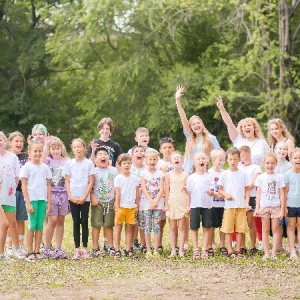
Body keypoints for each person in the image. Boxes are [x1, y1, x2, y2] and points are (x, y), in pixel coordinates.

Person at [176, 85, 220, 174]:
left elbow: (219, 155)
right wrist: (177, 101)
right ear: (191, 128)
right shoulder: (189, 136)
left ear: (202, 124)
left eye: (198, 123)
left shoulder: (211, 138)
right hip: (187, 172)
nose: (196, 125)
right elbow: (183, 119)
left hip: (203, 172)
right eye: (193, 124)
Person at [20, 140, 52, 261]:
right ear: (29, 152)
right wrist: (28, 202)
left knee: (39, 226)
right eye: (35, 151)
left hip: (42, 200)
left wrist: (49, 201)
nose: (38, 153)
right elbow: (23, 186)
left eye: (40, 151)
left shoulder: (45, 167)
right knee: (32, 225)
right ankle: (29, 251)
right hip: (32, 200)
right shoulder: (26, 167)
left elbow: (48, 185)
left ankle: (37, 250)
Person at [64, 138, 95, 259]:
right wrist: (70, 196)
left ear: (84, 148)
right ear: (72, 149)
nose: (77, 149)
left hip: (85, 198)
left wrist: (85, 197)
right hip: (73, 197)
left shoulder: (89, 163)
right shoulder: (69, 163)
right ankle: (77, 248)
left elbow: (91, 181)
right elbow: (67, 181)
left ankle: (85, 248)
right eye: (75, 147)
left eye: (79, 147)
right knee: (76, 222)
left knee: (84, 222)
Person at [216, 96, 270, 166]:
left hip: (256, 174)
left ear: (254, 128)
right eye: (244, 126)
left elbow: (270, 159)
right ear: (242, 130)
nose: (247, 127)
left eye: (249, 125)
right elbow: (229, 123)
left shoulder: (262, 143)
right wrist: (222, 109)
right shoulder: (238, 139)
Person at [218, 147, 250, 258]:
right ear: (227, 159)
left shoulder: (243, 174)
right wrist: (226, 195)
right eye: (231, 159)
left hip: (240, 205)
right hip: (229, 206)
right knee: (228, 228)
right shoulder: (224, 174)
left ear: (239, 159)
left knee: (241, 228)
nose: (233, 161)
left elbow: (247, 189)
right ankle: (230, 250)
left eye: (235, 159)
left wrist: (246, 202)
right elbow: (220, 189)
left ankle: (238, 250)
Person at [42, 136, 70, 259]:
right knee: (52, 220)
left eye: (57, 148)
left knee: (60, 221)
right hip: (51, 193)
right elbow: (41, 161)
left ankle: (58, 248)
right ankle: (47, 248)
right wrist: (45, 145)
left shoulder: (67, 161)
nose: (55, 151)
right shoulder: (48, 160)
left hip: (64, 193)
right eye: (53, 149)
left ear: (61, 149)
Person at [254, 152, 285, 259]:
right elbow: (258, 194)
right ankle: (266, 253)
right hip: (264, 206)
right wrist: (257, 208)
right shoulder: (260, 177)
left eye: (272, 163)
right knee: (265, 229)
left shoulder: (279, 177)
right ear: (263, 164)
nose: (270, 165)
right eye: (267, 163)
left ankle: (274, 253)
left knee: (276, 228)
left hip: (275, 206)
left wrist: (282, 209)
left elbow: (282, 194)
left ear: (276, 164)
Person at [0, 131, 25, 260]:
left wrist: (11, 189)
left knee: (12, 223)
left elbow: (16, 177)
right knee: (3, 224)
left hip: (9, 196)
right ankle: (1, 253)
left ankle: (17, 249)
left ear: (5, 141)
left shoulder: (12, 157)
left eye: (0, 140)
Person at [186, 152, 215, 259]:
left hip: (207, 205)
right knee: (194, 228)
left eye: (203, 158)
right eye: (199, 159)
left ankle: (205, 249)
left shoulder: (209, 177)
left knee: (207, 227)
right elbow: (189, 193)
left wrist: (210, 192)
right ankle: (195, 249)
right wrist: (188, 205)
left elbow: (212, 191)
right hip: (194, 205)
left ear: (207, 162)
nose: (201, 160)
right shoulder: (191, 177)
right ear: (195, 163)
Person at [90, 147, 118, 257]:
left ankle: (110, 247)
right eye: (100, 154)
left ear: (109, 158)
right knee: (96, 225)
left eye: (105, 154)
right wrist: (92, 197)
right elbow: (90, 186)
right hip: (98, 201)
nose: (103, 156)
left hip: (110, 201)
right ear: (95, 160)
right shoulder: (93, 171)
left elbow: (117, 187)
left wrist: (116, 200)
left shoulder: (114, 171)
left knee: (109, 225)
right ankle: (95, 248)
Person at [114, 154, 139, 258]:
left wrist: (137, 204)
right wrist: (117, 205)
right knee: (118, 228)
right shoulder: (118, 178)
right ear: (120, 165)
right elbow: (117, 193)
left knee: (129, 228)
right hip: (121, 207)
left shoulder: (134, 178)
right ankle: (117, 249)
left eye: (128, 163)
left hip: (132, 207)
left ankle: (128, 249)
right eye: (124, 163)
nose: (127, 165)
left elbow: (137, 192)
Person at [141, 149, 165, 257]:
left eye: (154, 159)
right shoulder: (144, 173)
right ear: (146, 160)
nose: (152, 161)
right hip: (147, 204)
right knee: (147, 226)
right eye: (150, 159)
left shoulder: (160, 174)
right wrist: (151, 200)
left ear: (157, 160)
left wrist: (156, 201)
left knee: (156, 226)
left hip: (158, 204)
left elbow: (161, 188)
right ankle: (148, 249)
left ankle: (155, 249)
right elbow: (144, 189)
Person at [7, 131, 28, 253]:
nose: (19, 143)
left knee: (21, 219)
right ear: (10, 143)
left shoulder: (26, 157)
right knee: (11, 220)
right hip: (10, 192)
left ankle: (20, 245)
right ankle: (10, 245)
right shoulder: (7, 156)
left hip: (23, 192)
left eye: (21, 141)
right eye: (16, 141)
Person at [165, 152, 189, 257]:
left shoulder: (186, 174)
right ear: (171, 162)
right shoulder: (168, 175)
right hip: (172, 201)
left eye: (178, 158)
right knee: (172, 227)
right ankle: (173, 249)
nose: (176, 159)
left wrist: (188, 204)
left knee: (182, 227)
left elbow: (188, 191)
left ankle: (181, 250)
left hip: (182, 200)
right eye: (174, 158)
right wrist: (166, 204)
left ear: (182, 161)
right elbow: (166, 191)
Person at [238, 146, 262, 254]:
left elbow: (254, 182)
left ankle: (253, 246)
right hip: (240, 197)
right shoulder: (239, 167)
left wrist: (245, 189)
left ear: (249, 156)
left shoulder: (256, 168)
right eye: (240, 157)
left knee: (251, 222)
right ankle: (242, 246)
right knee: (241, 222)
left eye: (243, 156)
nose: (241, 159)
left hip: (252, 196)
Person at [208, 149, 227, 255]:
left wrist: (223, 194)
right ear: (213, 160)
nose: (221, 162)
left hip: (223, 204)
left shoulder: (225, 173)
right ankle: (211, 244)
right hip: (212, 204)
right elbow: (208, 188)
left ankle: (223, 245)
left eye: (223, 160)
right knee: (212, 226)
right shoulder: (209, 173)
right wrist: (216, 194)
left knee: (223, 226)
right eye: (219, 160)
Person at [284, 148, 300, 259]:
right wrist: (284, 207)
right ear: (291, 160)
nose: (298, 160)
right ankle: (292, 249)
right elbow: (284, 192)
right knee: (291, 227)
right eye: (295, 158)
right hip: (290, 205)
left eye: (299, 158)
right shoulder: (287, 174)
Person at [130, 145, 146, 251]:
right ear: (132, 155)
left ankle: (144, 243)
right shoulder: (129, 168)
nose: (139, 153)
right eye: (136, 151)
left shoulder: (147, 168)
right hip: (132, 199)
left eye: (141, 151)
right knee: (133, 222)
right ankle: (133, 241)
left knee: (143, 222)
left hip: (145, 200)